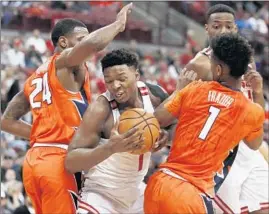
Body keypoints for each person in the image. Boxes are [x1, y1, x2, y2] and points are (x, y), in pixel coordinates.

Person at [1, 3, 133, 214]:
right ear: (63, 42)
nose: (85, 43)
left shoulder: (35, 77)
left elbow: (6, 121)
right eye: (80, 39)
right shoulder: (65, 63)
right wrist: (118, 24)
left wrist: (42, 134)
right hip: (60, 162)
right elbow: (93, 44)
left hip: (35, 161)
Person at [144, 33, 265, 213]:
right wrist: (257, 93)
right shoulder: (251, 111)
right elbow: (255, 144)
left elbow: (157, 119)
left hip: (159, 183)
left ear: (218, 70)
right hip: (191, 194)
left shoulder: (194, 88)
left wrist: (179, 90)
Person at [183, 4, 268, 213]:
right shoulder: (199, 65)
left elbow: (257, 111)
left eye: (228, 26)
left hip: (249, 147)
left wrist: (258, 93)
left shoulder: (247, 59)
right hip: (219, 152)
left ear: (235, 29)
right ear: (207, 28)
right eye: (216, 26)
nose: (223, 31)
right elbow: (180, 112)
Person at [65, 48, 169, 213]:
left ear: (136, 75)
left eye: (121, 78)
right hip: (102, 194)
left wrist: (167, 136)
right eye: (109, 81)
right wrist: (110, 148)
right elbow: (71, 162)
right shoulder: (100, 109)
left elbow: (177, 124)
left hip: (135, 193)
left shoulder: (154, 95)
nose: (115, 86)